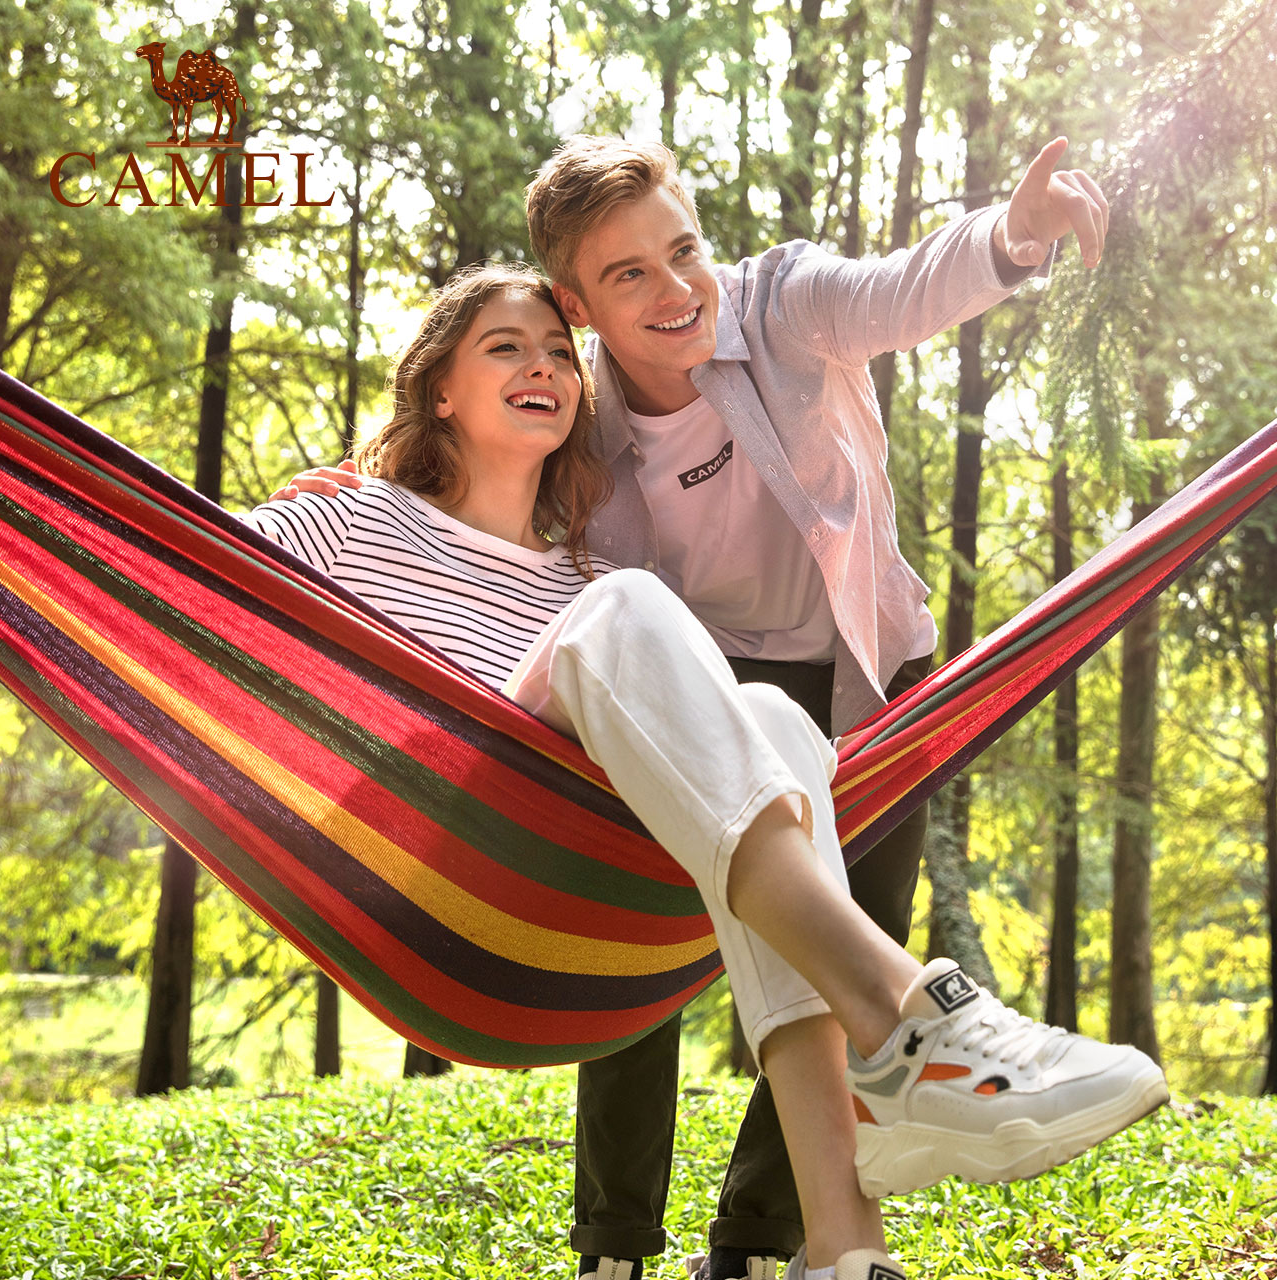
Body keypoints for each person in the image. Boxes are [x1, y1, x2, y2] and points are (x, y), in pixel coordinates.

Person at [272, 135, 1116, 1280]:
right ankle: (905, 1017)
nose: (672, 291)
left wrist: (1010, 239)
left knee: (771, 735)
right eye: (507, 345)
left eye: (682, 253)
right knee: (638, 613)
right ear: (441, 385)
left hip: (800, 692)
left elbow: (900, 286)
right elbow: (192, 571)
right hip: (486, 837)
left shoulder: (584, 546)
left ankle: (834, 1244)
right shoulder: (368, 521)